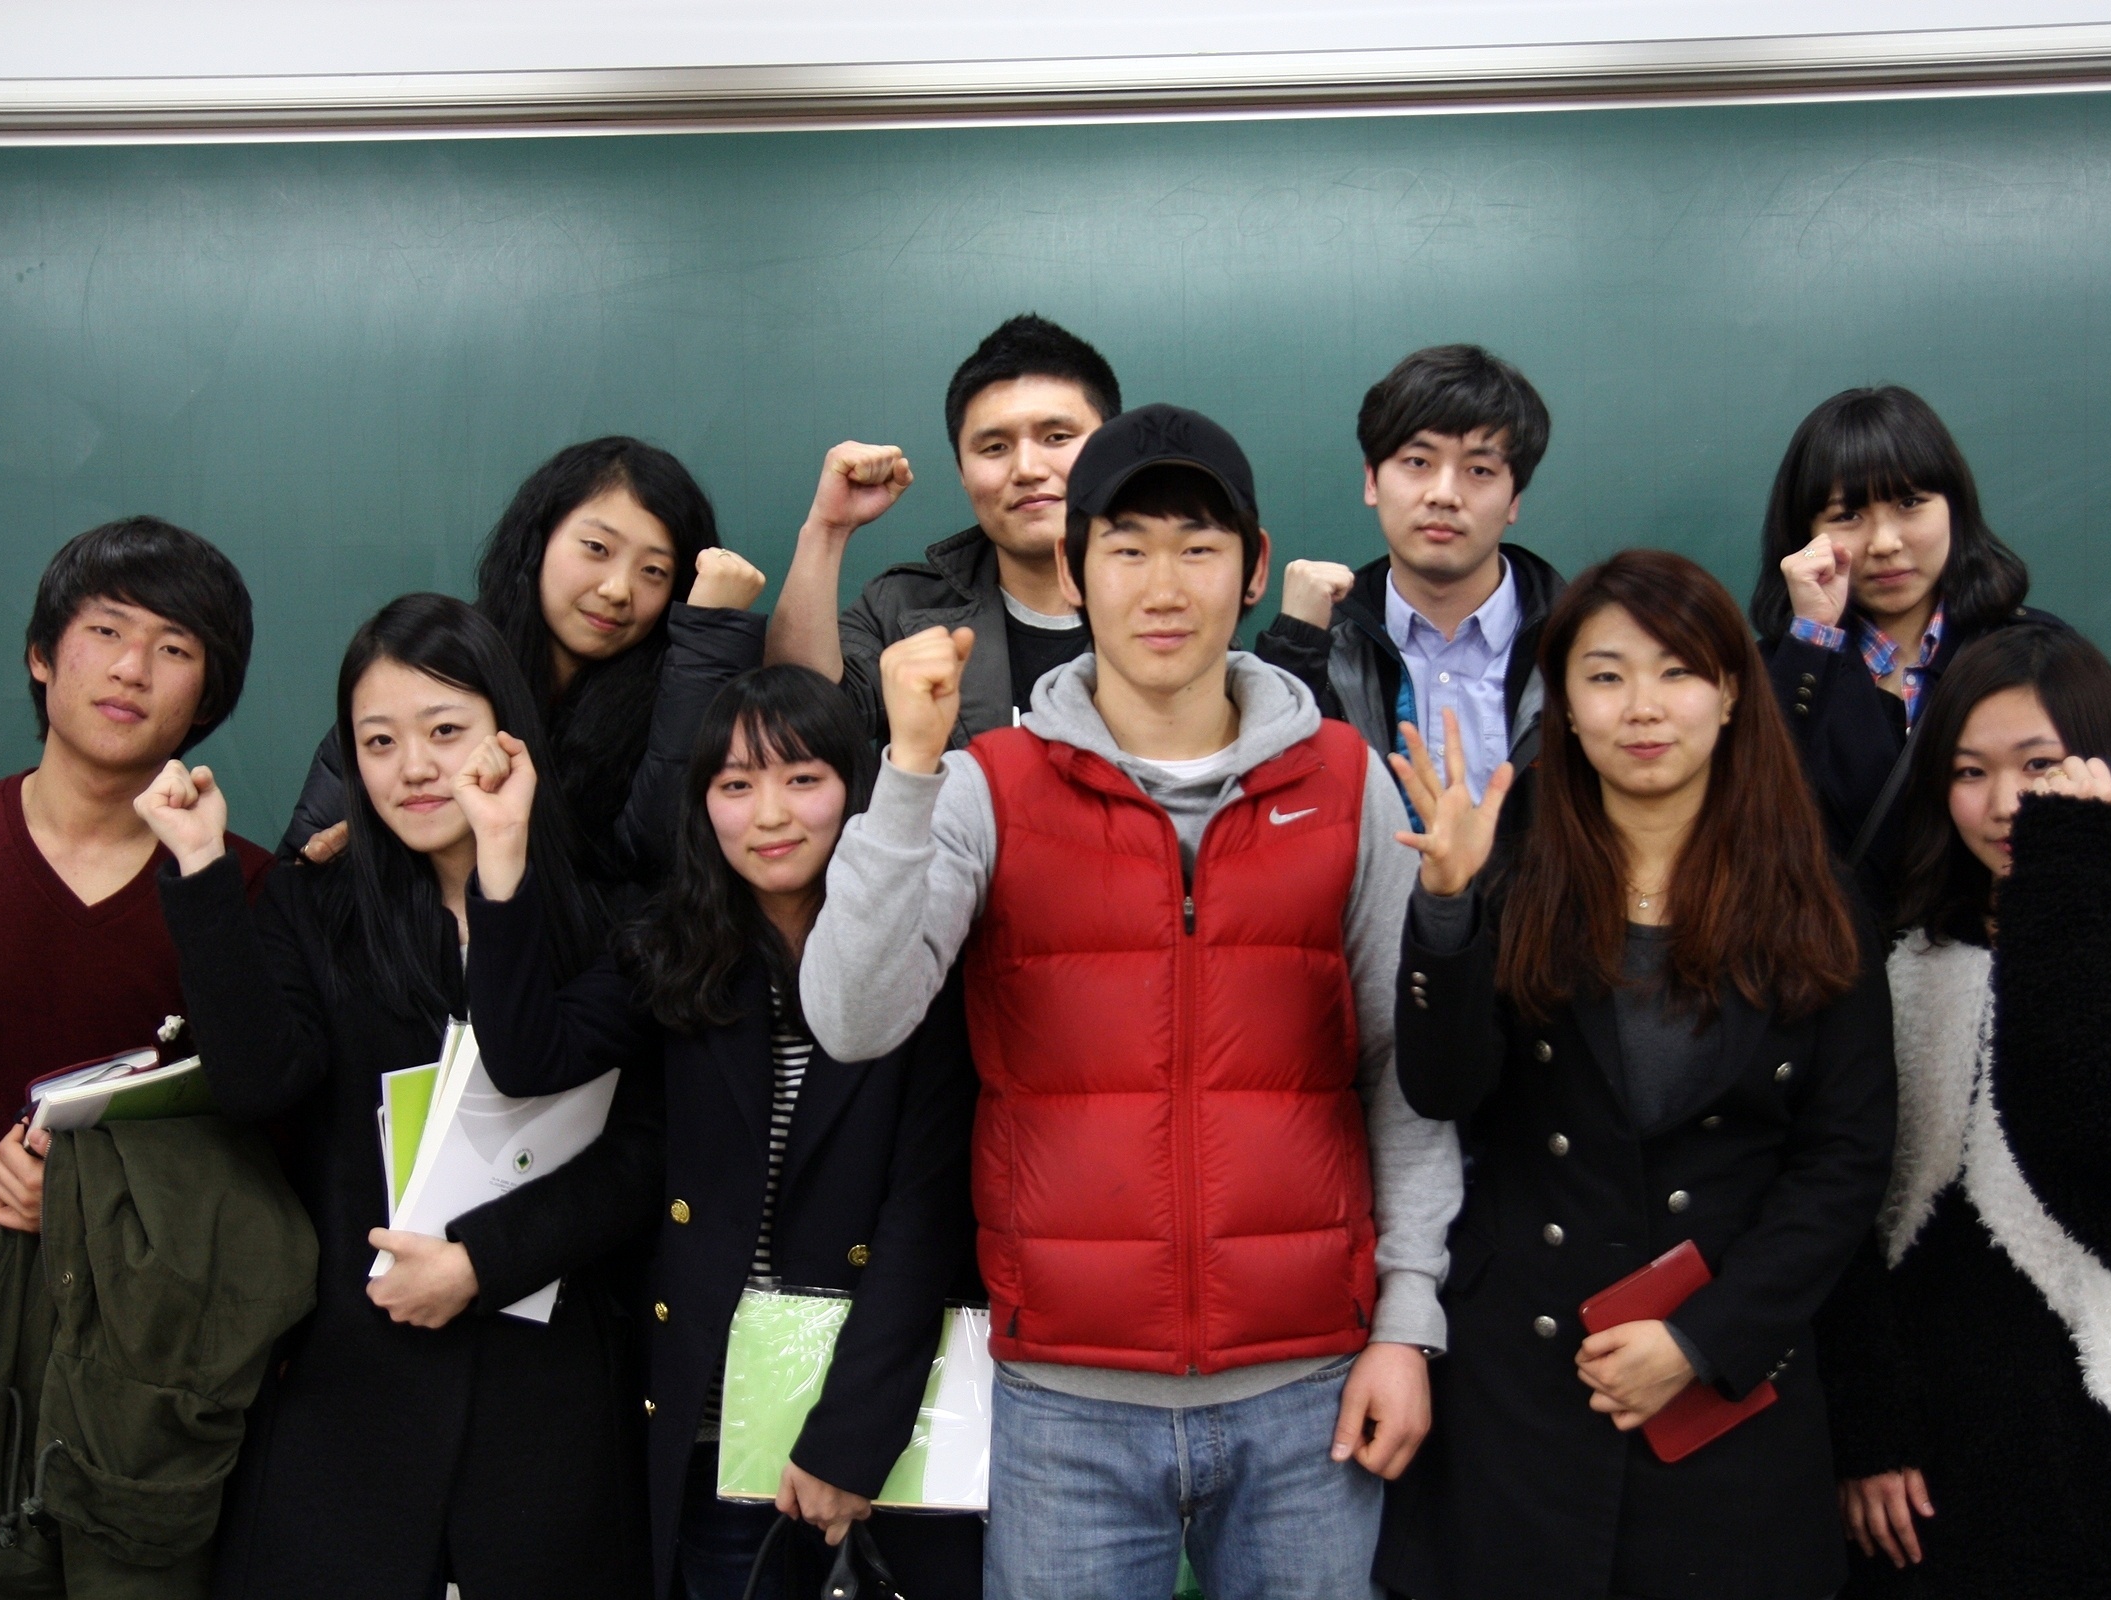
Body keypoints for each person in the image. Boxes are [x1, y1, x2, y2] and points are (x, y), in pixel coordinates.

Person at [800, 404, 1460, 1600]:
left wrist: (1407, 1323)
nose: (1164, 587)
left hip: (1310, 1389)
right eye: (1128, 547)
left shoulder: (1344, 781)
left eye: (1199, 548)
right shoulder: (985, 785)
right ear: (1073, 569)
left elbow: (1401, 1075)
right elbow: (854, 1017)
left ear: (1253, 568)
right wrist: (905, 772)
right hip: (1066, 1404)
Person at [1378, 548, 1896, 1600]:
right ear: (1564, 707)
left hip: (1730, 1395)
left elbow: (1845, 1159)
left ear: (1732, 694)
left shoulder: (1814, 896)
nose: (1642, 707)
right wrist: (1446, 908)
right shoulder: (1511, 863)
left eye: (1678, 672)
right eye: (1606, 676)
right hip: (1524, 1389)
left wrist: (1705, 1340)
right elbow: (1444, 1091)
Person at [138, 593, 651, 1598]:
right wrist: (201, 868)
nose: (412, 767)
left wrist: (483, 1262)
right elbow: (255, 1084)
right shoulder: (317, 902)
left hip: (548, 1387)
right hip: (353, 1384)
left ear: (507, 731)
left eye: (444, 731)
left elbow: (640, 1153)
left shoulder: (609, 908)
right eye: (378, 741)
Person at [449, 664, 983, 1600]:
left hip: (882, 1421)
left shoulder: (924, 956)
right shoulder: (678, 945)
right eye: (736, 785)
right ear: (702, 806)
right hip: (719, 1421)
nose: (769, 815)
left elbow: (923, 1215)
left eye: (803, 778)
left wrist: (849, 1437)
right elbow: (529, 1056)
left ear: (858, 791)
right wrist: (500, 848)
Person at [1819, 625, 2111, 1599]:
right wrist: (1866, 1428)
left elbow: (2107, 1121)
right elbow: (1837, 1204)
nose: (2006, 802)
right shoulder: (1901, 954)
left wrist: (2060, 882)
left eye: (2039, 766)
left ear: (2103, 767)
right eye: (1970, 772)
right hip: (1917, 1482)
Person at [0, 516, 266, 1347]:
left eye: (174, 648)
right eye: (106, 630)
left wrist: (92, 1201)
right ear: (42, 655)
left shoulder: (236, 887)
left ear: (208, 696)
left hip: (151, 1344)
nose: (131, 668)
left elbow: (268, 1144)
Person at [281, 435, 766, 886]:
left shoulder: (681, 687)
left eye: (654, 571)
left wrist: (708, 639)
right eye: (596, 548)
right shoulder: (434, 663)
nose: (618, 589)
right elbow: (301, 864)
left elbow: (659, 860)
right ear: (538, 539)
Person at [763, 313, 1120, 740]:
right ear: (962, 473)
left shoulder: (1176, 598)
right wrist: (827, 529)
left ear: (1112, 449)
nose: (1027, 468)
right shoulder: (900, 610)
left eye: (1057, 437)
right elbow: (797, 729)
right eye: (995, 447)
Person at [1255, 343, 1566, 827]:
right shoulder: (1325, 642)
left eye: (1479, 470)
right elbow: (1261, 812)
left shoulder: (1577, 646)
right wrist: (1294, 648)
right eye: (1418, 462)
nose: (1444, 494)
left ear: (1513, 500)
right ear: (1372, 482)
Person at [1751, 386, 2039, 907]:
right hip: (1834, 954)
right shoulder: (1775, 672)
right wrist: (1812, 637)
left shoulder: (2038, 656)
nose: (1885, 542)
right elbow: (1747, 809)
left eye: (1910, 503)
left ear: (1954, 507)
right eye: (1847, 515)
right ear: (1805, 535)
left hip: (2000, 945)